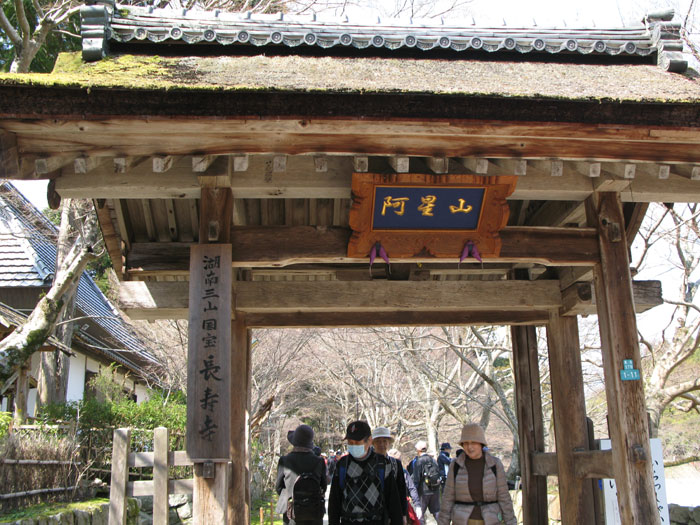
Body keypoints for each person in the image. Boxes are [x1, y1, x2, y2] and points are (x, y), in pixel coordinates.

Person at [437, 424, 517, 525]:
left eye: (473, 442)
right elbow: (448, 498)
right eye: (466, 443)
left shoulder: (494, 464)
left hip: (490, 520)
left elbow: (504, 497)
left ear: (481, 444)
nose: (469, 447)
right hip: (462, 520)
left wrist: (511, 522)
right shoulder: (456, 465)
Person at [328, 420, 404, 525]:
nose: (353, 445)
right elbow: (334, 502)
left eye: (357, 442)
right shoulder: (342, 465)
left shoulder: (382, 464)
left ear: (369, 441)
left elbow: (394, 503)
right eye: (350, 442)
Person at [276, 424, 328, 525]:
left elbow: (279, 487)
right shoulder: (319, 461)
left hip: (291, 512)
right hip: (314, 512)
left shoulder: (284, 460)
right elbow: (323, 486)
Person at [372, 426, 409, 523]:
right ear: (373, 443)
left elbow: (401, 490)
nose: (381, 444)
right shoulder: (368, 464)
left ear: (388, 443)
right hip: (373, 513)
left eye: (384, 441)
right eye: (378, 441)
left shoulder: (396, 463)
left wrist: (403, 514)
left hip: (393, 511)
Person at [411, 440, 441, 524]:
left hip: (423, 492)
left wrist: (413, 493)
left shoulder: (419, 461)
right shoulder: (433, 460)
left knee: (420, 514)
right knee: (436, 512)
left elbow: (416, 479)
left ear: (418, 450)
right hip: (435, 490)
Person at [388, 448, 422, 525]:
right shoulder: (384, 471)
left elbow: (412, 488)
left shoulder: (404, 472)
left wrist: (417, 505)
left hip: (403, 506)